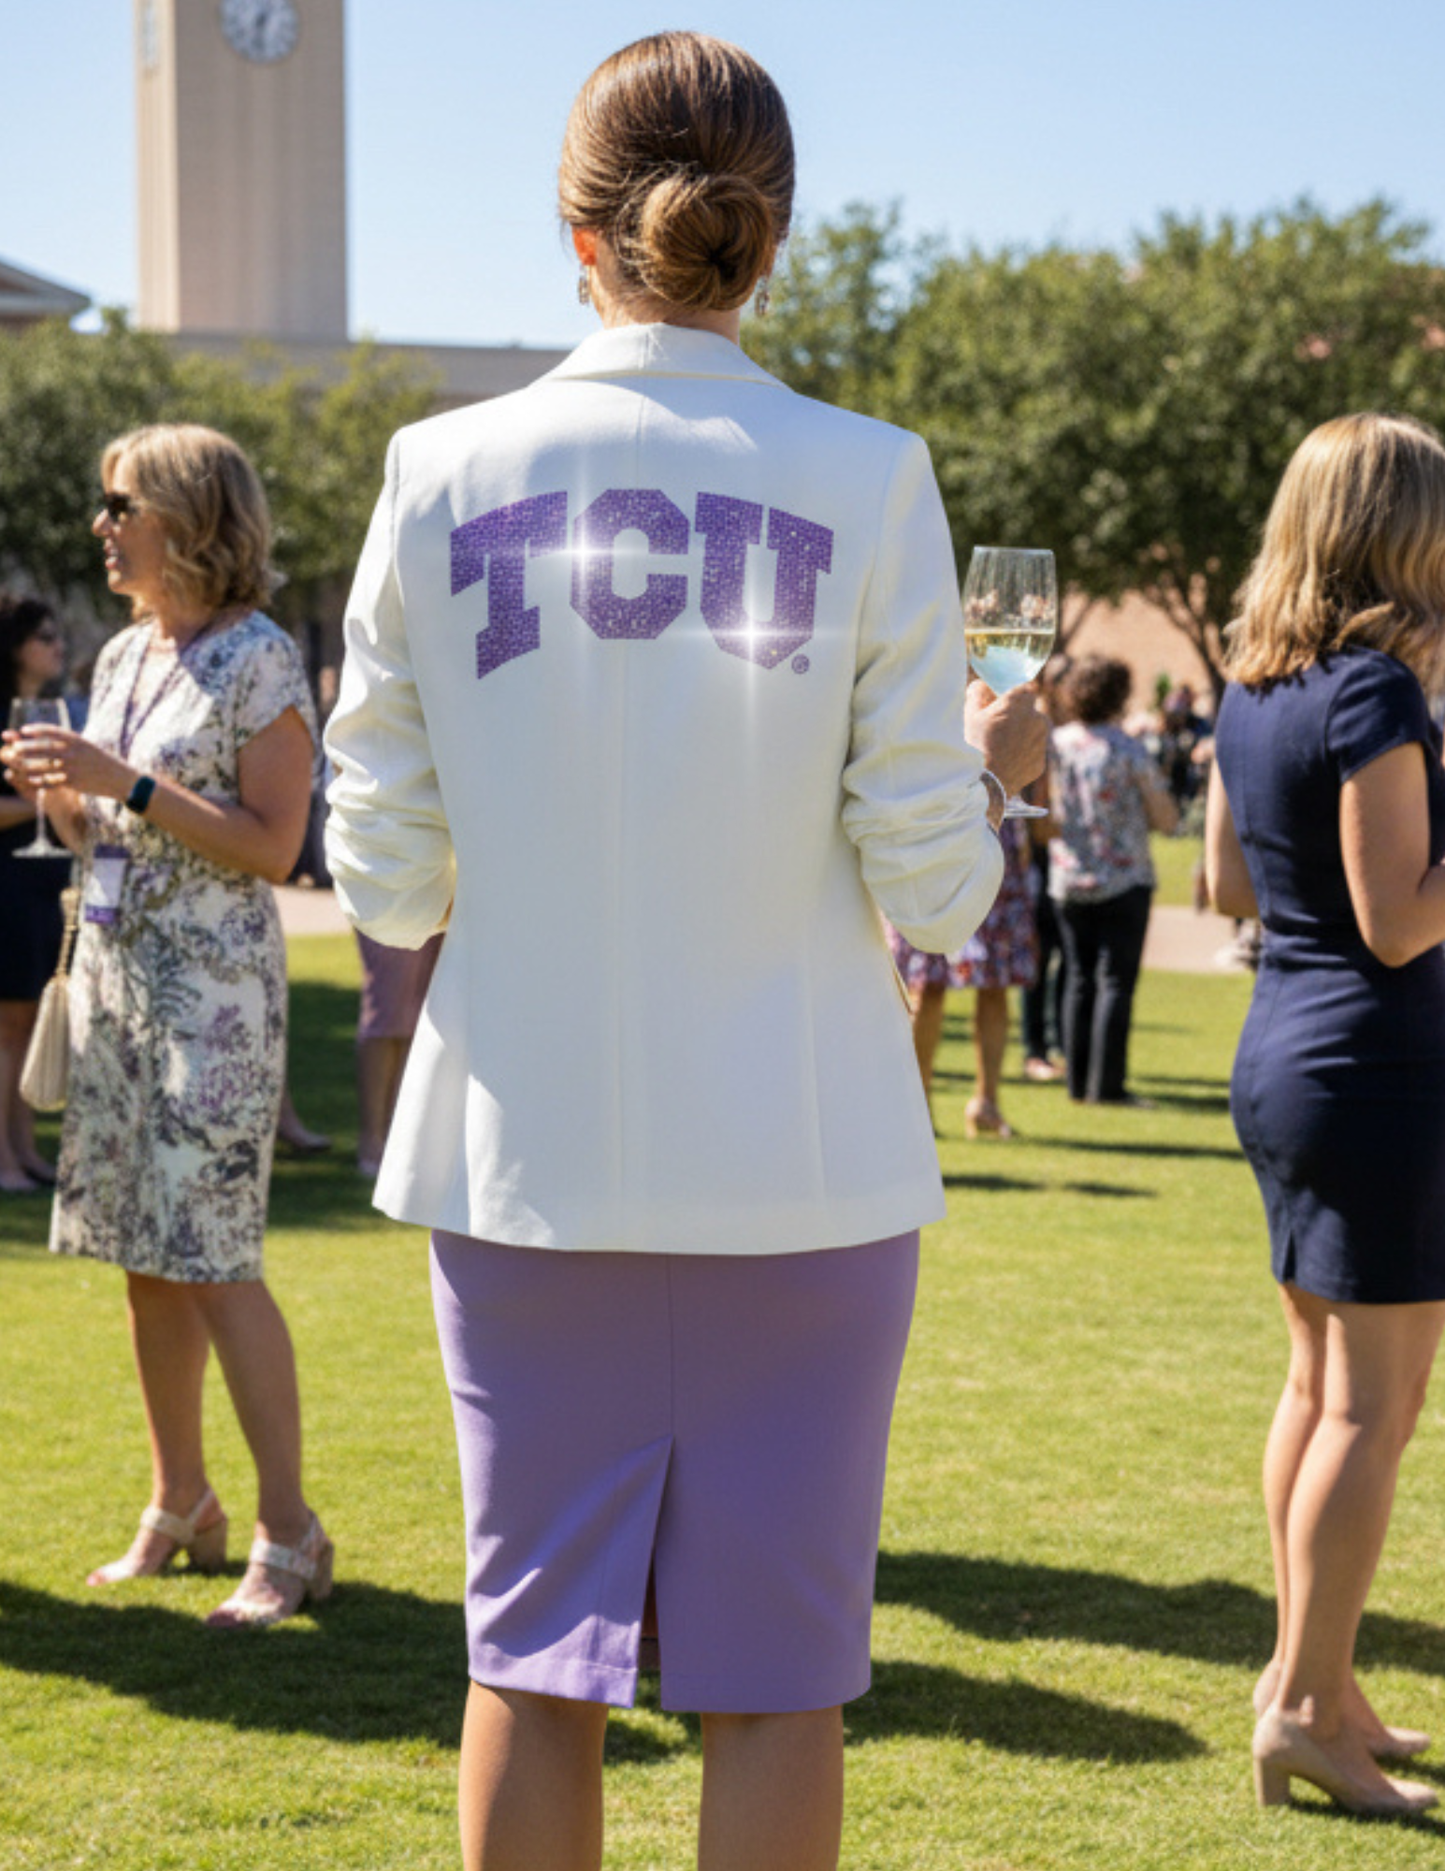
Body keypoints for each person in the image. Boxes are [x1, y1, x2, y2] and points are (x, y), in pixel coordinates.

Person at [324, 33, 1046, 1870]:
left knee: (528, 1666)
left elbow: (387, 880)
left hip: (519, 1161)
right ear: (773, 233)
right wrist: (991, 766)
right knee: (777, 1682)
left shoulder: (433, 468)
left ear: (575, 229)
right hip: (802, 1171)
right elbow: (944, 894)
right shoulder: (874, 477)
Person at [1, 423, 332, 1628]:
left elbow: (273, 846)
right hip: (119, 983)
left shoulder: (261, 660)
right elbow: (124, 833)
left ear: (187, 515)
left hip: (217, 1000)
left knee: (214, 1260)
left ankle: (289, 1530)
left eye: (120, 502)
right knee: (142, 1261)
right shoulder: (131, 652)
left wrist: (122, 779)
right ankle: (179, 1501)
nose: (103, 525)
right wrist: (70, 805)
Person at [1206, 412, 1445, 1818]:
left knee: (1318, 1387)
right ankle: (1302, 1702)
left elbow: (1233, 891)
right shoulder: (1372, 692)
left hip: (1290, 1053)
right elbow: (1403, 922)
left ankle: (1314, 1675)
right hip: (1376, 1072)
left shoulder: (1258, 684)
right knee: (1372, 1402)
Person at [1048, 656, 1178, 1104]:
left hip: (1068, 878)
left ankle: (1076, 1082)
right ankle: (1107, 1086)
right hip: (1124, 879)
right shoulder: (1128, 749)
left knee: (1077, 979)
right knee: (1115, 983)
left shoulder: (1056, 744)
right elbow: (1165, 816)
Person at [888, 817, 1038, 1138]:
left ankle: (987, 1103)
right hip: (933, 834)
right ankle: (918, 1105)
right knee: (928, 984)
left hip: (993, 834)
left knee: (995, 982)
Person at [0, 594, 70, 1192]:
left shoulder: (48, 715)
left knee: (26, 1025)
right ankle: (2, 1158)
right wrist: (42, 804)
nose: (57, 645)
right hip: (7, 886)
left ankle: (24, 1150)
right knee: (7, 1027)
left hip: (42, 883)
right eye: (45, 637)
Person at [354, 930, 443, 1176]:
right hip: (394, 899)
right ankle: (372, 1139)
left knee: (422, 1013)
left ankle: (398, 1134)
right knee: (386, 1008)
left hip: (446, 896)